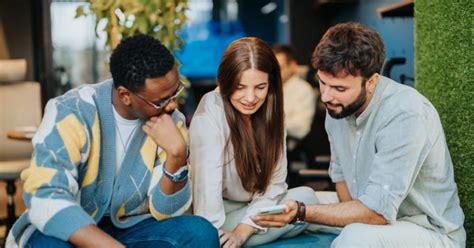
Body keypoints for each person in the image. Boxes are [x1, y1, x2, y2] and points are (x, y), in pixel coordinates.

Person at [252, 22, 466, 247]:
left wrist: (303, 214)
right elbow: (342, 179)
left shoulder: (406, 112)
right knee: (294, 200)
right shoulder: (337, 107)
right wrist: (302, 210)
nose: (326, 96)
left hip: (427, 230)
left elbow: (377, 214)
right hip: (370, 215)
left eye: (340, 88)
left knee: (354, 237)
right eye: (322, 83)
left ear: (372, 81)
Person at [7, 34, 218, 247]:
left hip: (132, 230)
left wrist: (177, 156)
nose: (172, 105)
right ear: (125, 95)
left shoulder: (171, 121)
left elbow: (166, 211)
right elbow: (46, 196)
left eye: (175, 93)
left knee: (200, 233)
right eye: (161, 101)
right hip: (72, 230)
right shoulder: (72, 111)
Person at [190, 37, 318, 247]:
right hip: (220, 212)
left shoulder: (273, 110)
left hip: (255, 208)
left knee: (307, 198)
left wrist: (242, 232)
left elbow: (275, 184)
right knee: (208, 235)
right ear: (225, 82)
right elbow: (207, 198)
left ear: (271, 85)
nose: (250, 98)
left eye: (260, 87)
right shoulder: (210, 115)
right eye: (240, 87)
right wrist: (215, 236)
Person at [272, 45, 316, 141]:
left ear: (292, 65)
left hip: (292, 149)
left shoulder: (303, 90)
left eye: (280, 68)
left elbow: (302, 129)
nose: (275, 73)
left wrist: (271, 122)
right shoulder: (269, 89)